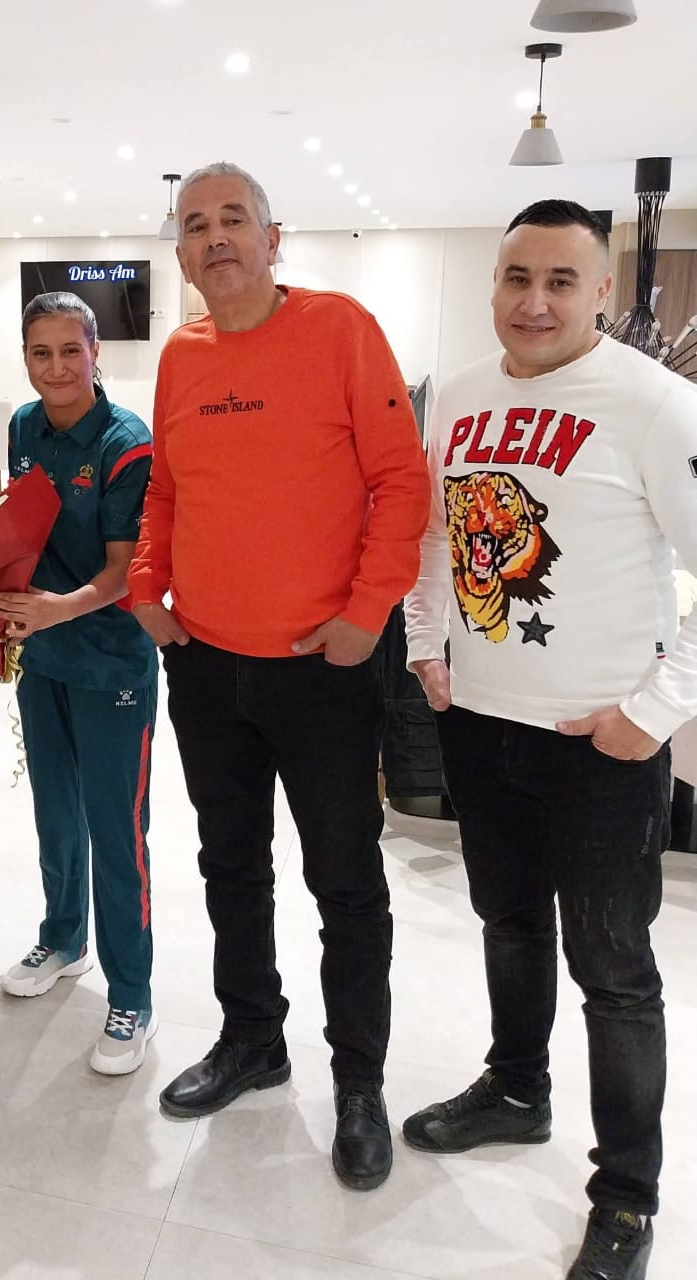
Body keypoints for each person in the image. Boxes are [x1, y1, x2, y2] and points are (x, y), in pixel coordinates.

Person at [403, 200, 697, 1280]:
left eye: (561, 281)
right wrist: (426, 643)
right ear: (493, 284)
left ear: (602, 292)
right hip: (484, 726)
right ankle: (518, 1089)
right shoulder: (461, 394)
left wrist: (653, 713)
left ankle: (625, 1196)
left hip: (600, 745)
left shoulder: (656, 403)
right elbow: (436, 532)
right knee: (510, 924)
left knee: (613, 972)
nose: (534, 301)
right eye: (517, 277)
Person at [127, 161, 430, 1190]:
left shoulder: (339, 328)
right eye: (195, 223)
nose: (215, 236)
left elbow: (401, 480)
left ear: (272, 237)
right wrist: (146, 586)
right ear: (180, 251)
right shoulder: (182, 353)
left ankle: (359, 1083)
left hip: (322, 671)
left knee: (344, 882)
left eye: (234, 219)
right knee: (230, 865)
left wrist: (366, 612)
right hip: (207, 665)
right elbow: (166, 490)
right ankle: (253, 1036)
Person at [0, 291, 158, 1075]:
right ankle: (63, 938)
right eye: (40, 352)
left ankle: (133, 994)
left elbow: (126, 570)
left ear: (96, 354)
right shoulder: (23, 426)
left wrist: (58, 608)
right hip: (44, 658)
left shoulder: (127, 445)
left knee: (116, 831)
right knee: (56, 813)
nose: (55, 367)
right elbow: (17, 528)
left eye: (70, 351)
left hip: (110, 662)